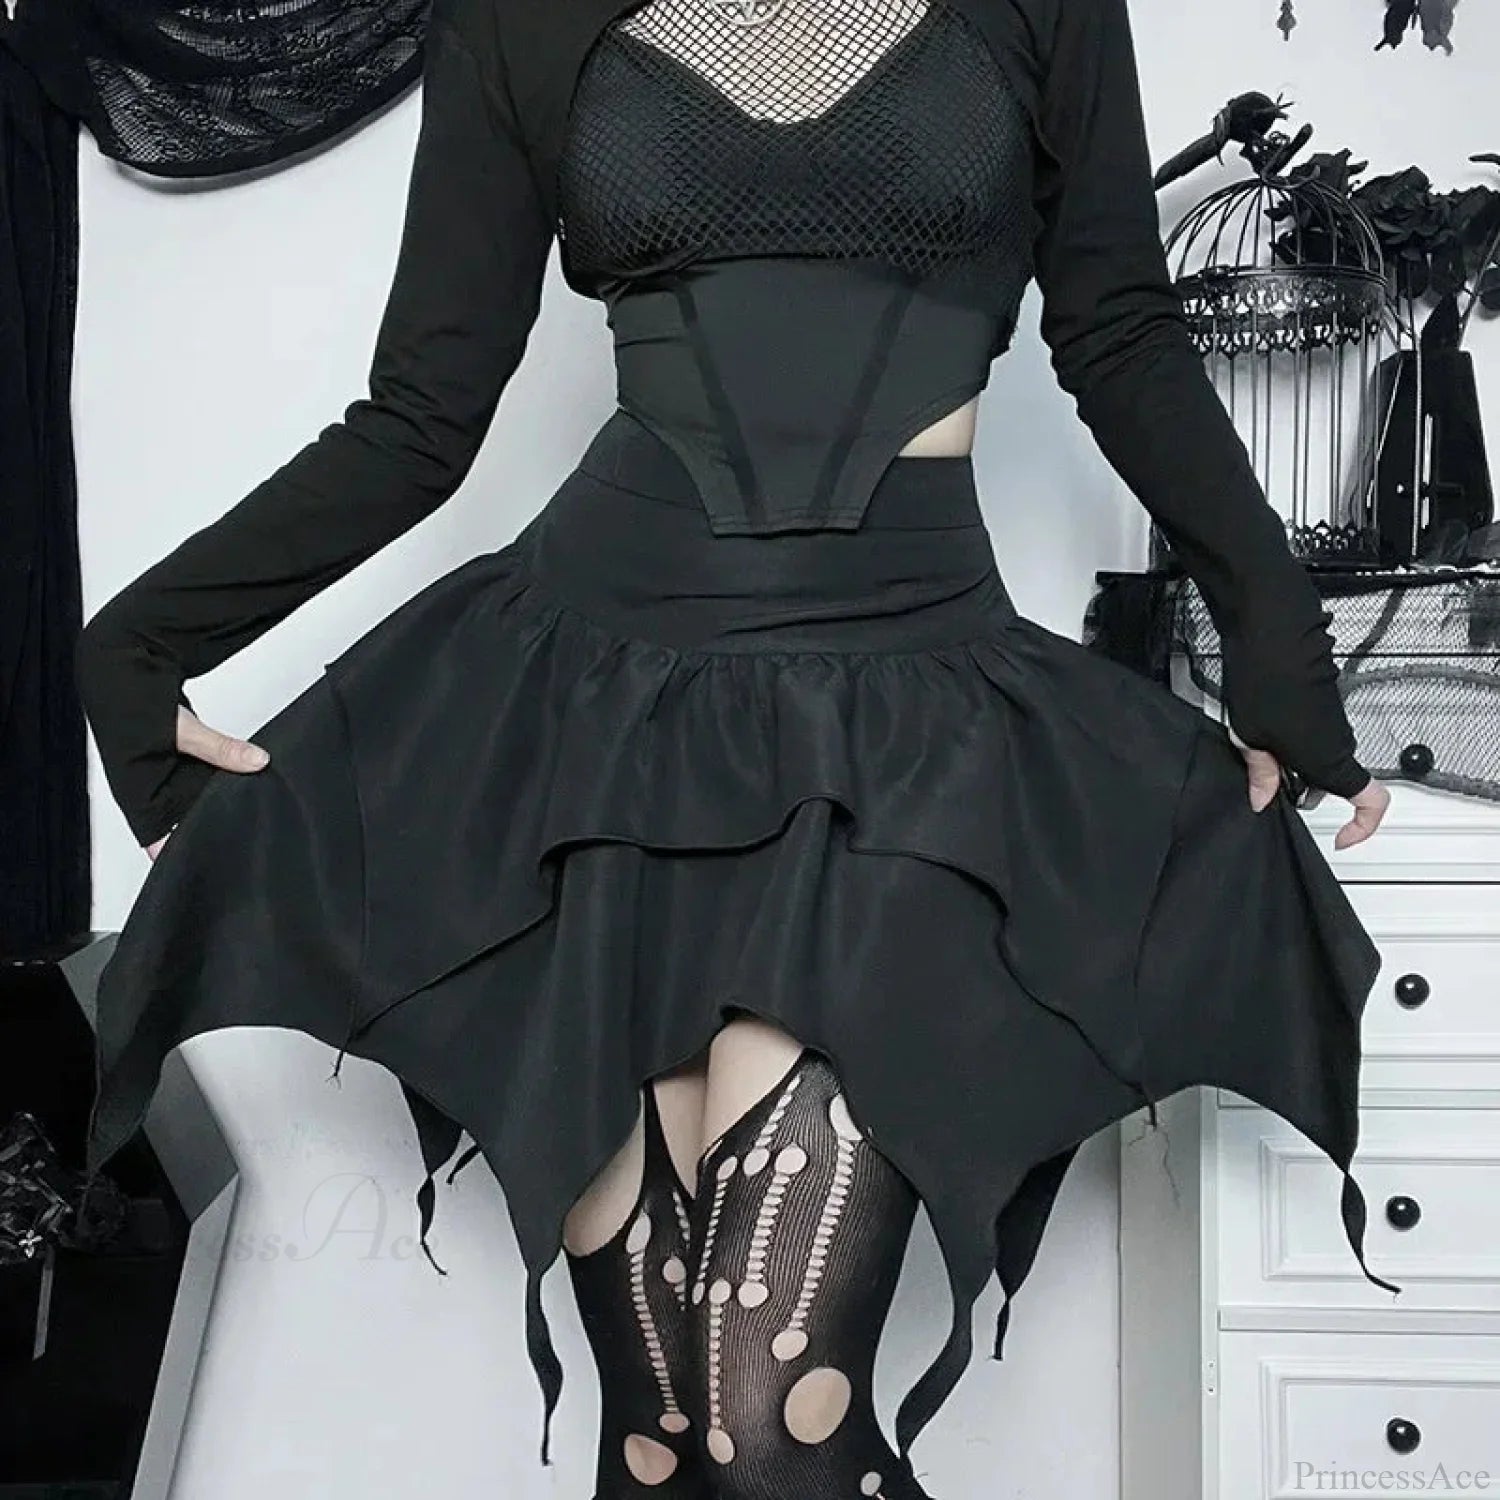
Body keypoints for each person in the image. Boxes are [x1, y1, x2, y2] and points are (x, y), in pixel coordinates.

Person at [73, 0, 1398, 1492]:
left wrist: (1276, 639)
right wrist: (136, 640)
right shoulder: (518, 20)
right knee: (659, 1442)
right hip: (599, 721)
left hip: (903, 713)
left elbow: (1121, 334)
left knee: (771, 1418)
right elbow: (421, 415)